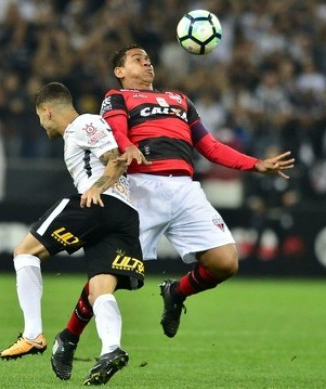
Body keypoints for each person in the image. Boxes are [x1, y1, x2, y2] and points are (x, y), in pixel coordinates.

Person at [50, 44, 295, 380]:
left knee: (225, 262)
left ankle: (176, 292)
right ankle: (69, 337)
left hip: (184, 189)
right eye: (137, 58)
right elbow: (115, 131)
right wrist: (127, 144)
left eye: (148, 58)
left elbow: (208, 146)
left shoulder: (180, 100)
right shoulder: (117, 97)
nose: (146, 61)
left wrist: (255, 165)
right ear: (120, 71)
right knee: (107, 273)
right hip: (139, 190)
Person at [0, 82, 145, 386]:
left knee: (24, 252)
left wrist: (96, 187)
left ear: (47, 111)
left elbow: (115, 159)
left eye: (40, 118)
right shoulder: (76, 135)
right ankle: (111, 349)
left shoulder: (84, 124)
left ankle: (32, 334)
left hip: (99, 204)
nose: (42, 125)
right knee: (99, 289)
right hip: (124, 215)